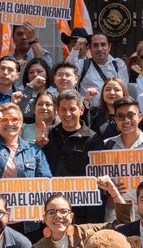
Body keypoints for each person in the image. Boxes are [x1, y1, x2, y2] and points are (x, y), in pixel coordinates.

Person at [37, 91, 103, 220]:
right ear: (57, 111)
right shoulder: (48, 134)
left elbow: (97, 182)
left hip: (82, 210)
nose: (67, 114)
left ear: (81, 110)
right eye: (63, 109)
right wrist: (38, 145)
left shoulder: (93, 139)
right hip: (52, 209)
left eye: (72, 109)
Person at [68, 30, 130, 101]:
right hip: (89, 111)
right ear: (90, 48)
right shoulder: (82, 64)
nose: (100, 49)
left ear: (109, 46)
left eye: (103, 44)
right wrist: (76, 48)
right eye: (95, 45)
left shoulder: (118, 64)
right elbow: (67, 73)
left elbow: (124, 91)